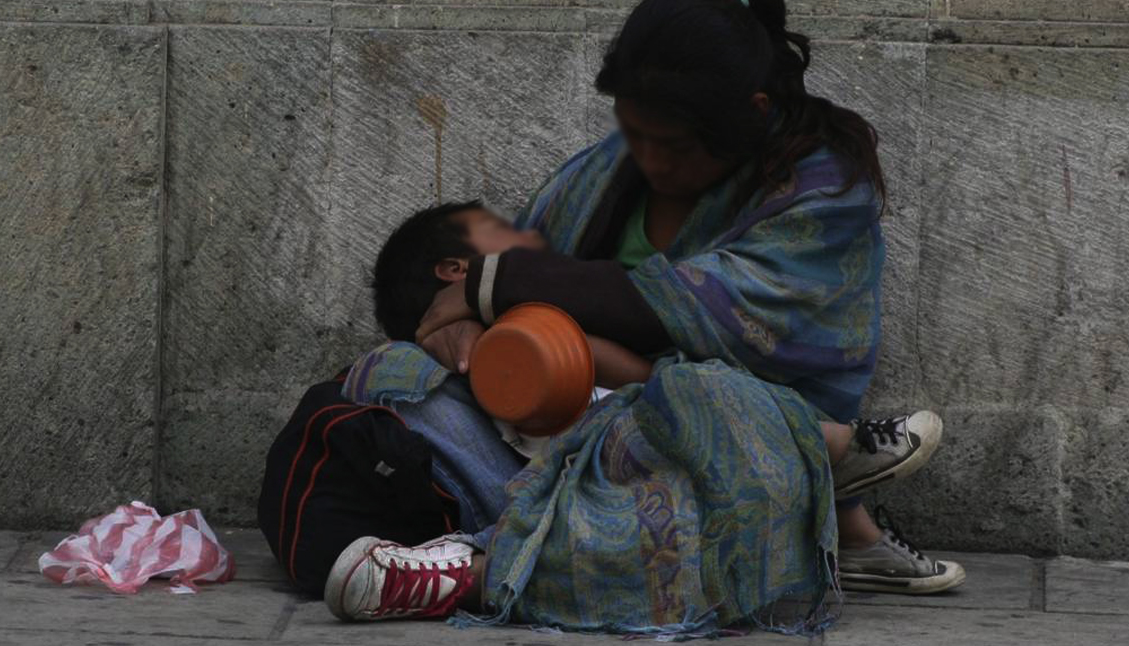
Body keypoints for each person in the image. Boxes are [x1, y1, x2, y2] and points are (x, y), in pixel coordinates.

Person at [409, 0, 965, 597]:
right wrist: (465, 326)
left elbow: (682, 309)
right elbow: (525, 289)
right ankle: (838, 503)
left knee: (684, 473)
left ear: (752, 114)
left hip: (723, 454)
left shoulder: (823, 194)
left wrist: (498, 286)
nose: (649, 161)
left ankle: (818, 472)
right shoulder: (606, 174)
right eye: (635, 133)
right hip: (569, 420)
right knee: (394, 383)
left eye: (673, 145)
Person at [323, 199, 950, 626]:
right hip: (553, 493)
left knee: (697, 442)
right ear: (458, 271)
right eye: (506, 237)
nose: (532, 244)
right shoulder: (447, 360)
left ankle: (839, 507)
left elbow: (645, 386)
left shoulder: (538, 327)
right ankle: (833, 456)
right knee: (684, 478)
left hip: (617, 476)